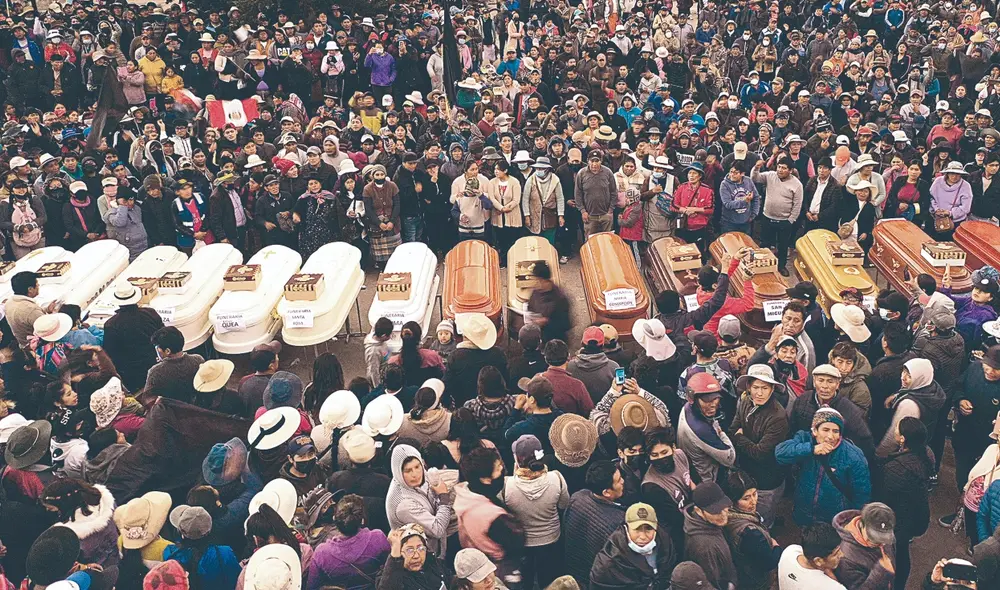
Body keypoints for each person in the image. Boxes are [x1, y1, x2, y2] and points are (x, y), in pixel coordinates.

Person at [776, 407, 871, 525]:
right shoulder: (804, 439)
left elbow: (861, 492)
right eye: (825, 430)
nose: (830, 436)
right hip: (804, 511)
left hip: (833, 518)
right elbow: (780, 453)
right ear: (814, 430)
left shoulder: (853, 455)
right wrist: (811, 449)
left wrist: (853, 520)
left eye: (835, 431)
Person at [498, 434, 570, 589]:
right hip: (551, 539)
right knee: (549, 580)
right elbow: (564, 505)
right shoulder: (556, 478)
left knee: (526, 580)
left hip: (522, 541)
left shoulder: (506, 486)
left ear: (517, 459)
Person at [876, 416, 934, 588]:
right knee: (902, 552)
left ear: (903, 439)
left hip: (896, 520)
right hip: (913, 516)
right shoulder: (925, 454)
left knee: (894, 555)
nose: (894, 430)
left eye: (897, 429)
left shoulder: (896, 468)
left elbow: (884, 497)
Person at [729, 365, 789, 528]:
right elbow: (733, 428)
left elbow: (759, 452)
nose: (759, 393)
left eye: (765, 388)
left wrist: (740, 437)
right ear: (748, 387)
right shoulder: (745, 401)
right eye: (756, 387)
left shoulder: (778, 416)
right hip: (749, 471)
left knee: (762, 518)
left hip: (768, 479)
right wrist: (740, 436)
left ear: (772, 389)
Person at [306, 493, 390, 590]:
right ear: (362, 520)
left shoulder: (321, 553)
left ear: (334, 518)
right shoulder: (377, 537)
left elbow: (312, 586)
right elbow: (390, 567)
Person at [562, 460, 627, 587]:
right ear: (606, 492)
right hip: (595, 579)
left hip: (573, 569)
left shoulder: (577, 497)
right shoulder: (617, 522)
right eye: (619, 480)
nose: (623, 481)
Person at [589, 502, 678, 590]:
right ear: (626, 528)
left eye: (648, 529)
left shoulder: (666, 545)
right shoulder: (607, 565)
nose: (643, 537)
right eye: (637, 529)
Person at [386, 444, 454, 558]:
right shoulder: (404, 505)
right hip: (421, 557)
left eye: (417, 467)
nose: (415, 474)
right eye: (408, 471)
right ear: (398, 472)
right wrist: (443, 496)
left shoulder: (422, 476)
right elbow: (438, 530)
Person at [721, 470, 783, 590]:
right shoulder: (750, 534)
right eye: (746, 498)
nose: (753, 502)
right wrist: (776, 547)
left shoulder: (727, 515)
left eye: (754, 494)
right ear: (733, 501)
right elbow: (769, 562)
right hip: (754, 579)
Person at [677, 372, 736, 483]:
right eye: (706, 400)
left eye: (715, 399)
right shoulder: (700, 429)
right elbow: (730, 458)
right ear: (693, 399)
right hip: (707, 478)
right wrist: (722, 434)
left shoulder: (687, 408)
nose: (713, 404)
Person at [683, 481, 738, 590]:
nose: (724, 514)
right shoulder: (704, 547)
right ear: (698, 511)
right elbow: (713, 582)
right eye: (715, 511)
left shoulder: (708, 522)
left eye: (724, 507)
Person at [832, 502, 897, 589]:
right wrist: (881, 572)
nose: (882, 544)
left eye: (884, 538)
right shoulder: (845, 557)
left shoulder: (886, 534)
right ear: (862, 524)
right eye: (872, 538)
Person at [376, 523, 449, 590]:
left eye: (421, 549)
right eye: (409, 550)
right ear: (399, 553)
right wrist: (395, 553)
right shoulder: (388, 576)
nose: (416, 556)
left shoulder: (435, 565)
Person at [777, 523, 848, 589]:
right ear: (818, 561)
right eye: (836, 554)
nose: (842, 555)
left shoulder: (790, 551)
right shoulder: (831, 587)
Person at [145, 326, 204, 404]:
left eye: (157, 347)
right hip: (198, 406)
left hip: (173, 411)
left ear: (167, 351)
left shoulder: (155, 372)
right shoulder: (198, 360)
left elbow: (147, 400)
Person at [539, 339, 594, 416]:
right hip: (570, 426)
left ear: (546, 359)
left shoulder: (537, 380)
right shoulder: (577, 385)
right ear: (568, 356)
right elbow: (589, 412)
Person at [567, 326, 620, 403]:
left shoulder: (569, 366)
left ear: (582, 343)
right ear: (602, 345)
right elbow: (620, 391)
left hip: (579, 413)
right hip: (606, 411)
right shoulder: (614, 367)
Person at [526, 261, 571, 344]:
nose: (534, 283)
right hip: (537, 329)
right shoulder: (536, 291)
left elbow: (565, 324)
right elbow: (530, 306)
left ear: (543, 280)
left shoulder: (560, 299)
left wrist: (546, 321)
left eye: (536, 280)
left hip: (553, 337)